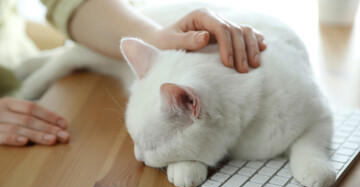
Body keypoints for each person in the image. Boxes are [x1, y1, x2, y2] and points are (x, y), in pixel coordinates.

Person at [0, 0, 266, 146]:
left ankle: (74, 55)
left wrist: (154, 37)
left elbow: (67, 3)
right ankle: (72, 56)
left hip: (22, 82)